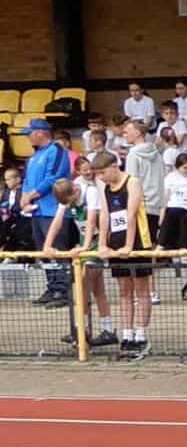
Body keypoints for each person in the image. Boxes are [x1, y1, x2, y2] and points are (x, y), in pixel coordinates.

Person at [94, 149, 156, 356]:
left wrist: (129, 245)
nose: (101, 177)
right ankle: (127, 333)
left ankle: (141, 333)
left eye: (103, 172)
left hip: (138, 241)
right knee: (124, 290)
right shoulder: (104, 186)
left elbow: (131, 214)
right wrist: (103, 244)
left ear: (114, 166)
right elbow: (104, 215)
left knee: (141, 289)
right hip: (116, 240)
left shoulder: (132, 182)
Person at [48, 172, 116, 347]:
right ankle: (106, 329)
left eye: (70, 201)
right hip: (84, 239)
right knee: (97, 288)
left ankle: (81, 329)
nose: (69, 204)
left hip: (97, 240)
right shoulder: (67, 195)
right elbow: (57, 221)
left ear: (75, 191)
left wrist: (85, 247)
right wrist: (47, 245)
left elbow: (92, 220)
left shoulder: (90, 192)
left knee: (83, 284)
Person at [20, 118, 71, 306]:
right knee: (44, 249)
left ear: (40, 132)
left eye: (30, 133)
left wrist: (31, 194)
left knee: (56, 248)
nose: (28, 136)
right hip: (37, 210)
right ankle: (52, 286)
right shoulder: (34, 156)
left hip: (53, 208)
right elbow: (26, 179)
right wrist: (24, 197)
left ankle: (63, 289)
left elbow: (54, 177)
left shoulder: (56, 150)